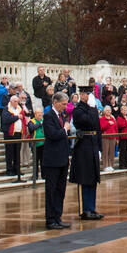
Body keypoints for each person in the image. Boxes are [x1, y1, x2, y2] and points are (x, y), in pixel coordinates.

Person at [70, 88, 103, 220]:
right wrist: (93, 108)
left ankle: (92, 208)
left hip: (93, 144)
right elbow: (89, 121)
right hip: (83, 146)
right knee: (85, 178)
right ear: (82, 95)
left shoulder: (91, 108)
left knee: (93, 178)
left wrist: (99, 147)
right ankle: (85, 209)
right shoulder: (78, 110)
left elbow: (97, 128)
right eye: (87, 94)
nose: (89, 97)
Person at [41, 92, 72, 229]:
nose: (65, 107)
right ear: (56, 102)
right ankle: (50, 219)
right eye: (63, 104)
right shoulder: (48, 116)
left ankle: (58, 216)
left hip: (62, 158)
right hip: (52, 160)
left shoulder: (62, 116)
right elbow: (52, 135)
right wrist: (64, 130)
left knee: (61, 190)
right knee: (51, 191)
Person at [99, 106, 117, 172]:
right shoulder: (101, 119)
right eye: (107, 110)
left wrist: (117, 138)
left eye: (109, 110)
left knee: (112, 152)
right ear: (104, 111)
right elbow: (101, 128)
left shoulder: (112, 118)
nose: (108, 111)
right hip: (105, 138)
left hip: (113, 137)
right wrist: (108, 124)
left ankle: (111, 165)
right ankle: (105, 166)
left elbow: (116, 128)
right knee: (105, 152)